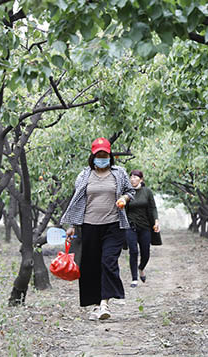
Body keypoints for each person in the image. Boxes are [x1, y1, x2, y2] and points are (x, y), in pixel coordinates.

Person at [61, 137, 135, 321]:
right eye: (98, 155)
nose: (102, 157)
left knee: (108, 261)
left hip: (113, 225)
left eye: (105, 154)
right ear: (93, 156)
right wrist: (72, 226)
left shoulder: (119, 173)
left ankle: (104, 303)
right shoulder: (84, 175)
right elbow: (77, 202)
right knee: (91, 266)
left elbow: (130, 191)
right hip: (89, 225)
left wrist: (124, 199)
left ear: (110, 156)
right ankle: (96, 305)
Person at [124, 170, 160, 288]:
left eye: (135, 177)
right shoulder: (128, 193)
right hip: (131, 226)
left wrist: (156, 220)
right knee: (133, 251)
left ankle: (141, 268)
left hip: (145, 227)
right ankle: (134, 278)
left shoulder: (147, 192)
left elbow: (153, 207)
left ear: (141, 179)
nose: (133, 179)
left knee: (146, 252)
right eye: (131, 177)